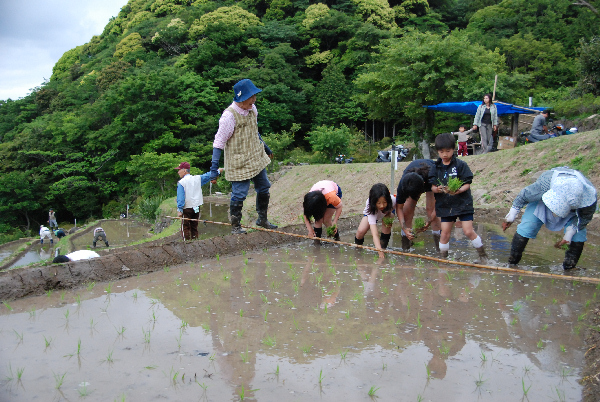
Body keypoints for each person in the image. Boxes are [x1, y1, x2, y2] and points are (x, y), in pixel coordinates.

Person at [209, 79, 277, 234]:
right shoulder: (229, 117)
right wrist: (214, 168)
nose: (253, 100)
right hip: (239, 161)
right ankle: (236, 226)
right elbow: (218, 142)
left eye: (254, 96)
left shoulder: (253, 109)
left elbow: (255, 130)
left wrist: (265, 147)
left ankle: (262, 219)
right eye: (250, 96)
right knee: (240, 193)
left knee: (264, 186)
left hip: (256, 155)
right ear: (241, 98)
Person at [502, 167, 597, 270]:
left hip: (575, 210)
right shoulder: (546, 183)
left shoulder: (589, 198)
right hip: (543, 199)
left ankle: (569, 267)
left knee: (578, 234)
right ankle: (512, 263)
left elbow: (583, 219)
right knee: (528, 225)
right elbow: (523, 196)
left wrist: (568, 235)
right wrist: (510, 217)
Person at [431, 133, 488, 262]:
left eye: (448, 151)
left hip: (463, 203)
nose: (445, 154)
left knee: (468, 231)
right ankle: (443, 259)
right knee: (444, 233)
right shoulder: (435, 167)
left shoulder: (460, 165)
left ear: (454, 149)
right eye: (441, 152)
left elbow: (467, 183)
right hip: (445, 204)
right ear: (437, 152)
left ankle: (483, 256)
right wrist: (438, 189)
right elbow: (432, 187)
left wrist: (458, 190)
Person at [395, 159, 441, 251]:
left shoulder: (434, 176)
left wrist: (429, 221)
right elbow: (399, 208)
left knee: (431, 210)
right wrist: (404, 228)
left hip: (431, 179)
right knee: (407, 212)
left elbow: (439, 205)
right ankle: (406, 247)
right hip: (414, 182)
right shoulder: (404, 183)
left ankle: (440, 248)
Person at [175, 161, 223, 240]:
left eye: (179, 169)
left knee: (185, 227)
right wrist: (217, 171)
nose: (178, 172)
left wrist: (179, 209)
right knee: (194, 225)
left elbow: (181, 198)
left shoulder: (181, 182)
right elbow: (208, 175)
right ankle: (195, 241)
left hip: (187, 208)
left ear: (184, 170)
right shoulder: (197, 178)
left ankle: (186, 243)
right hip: (196, 207)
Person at [355, 183, 397, 259]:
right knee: (360, 232)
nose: (382, 206)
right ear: (374, 202)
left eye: (384, 202)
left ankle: (383, 248)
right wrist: (378, 250)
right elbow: (375, 234)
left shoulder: (393, 200)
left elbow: (399, 209)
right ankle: (358, 252)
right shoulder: (370, 205)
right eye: (379, 203)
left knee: (387, 223)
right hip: (374, 212)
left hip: (387, 213)